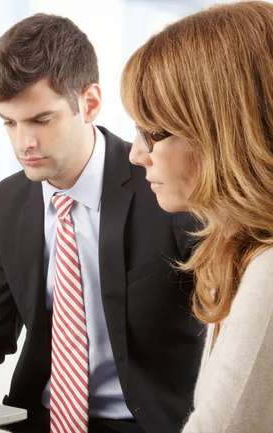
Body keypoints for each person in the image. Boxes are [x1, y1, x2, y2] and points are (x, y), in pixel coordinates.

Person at [0, 13, 203, 433]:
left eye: (41, 120)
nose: (24, 142)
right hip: (37, 420)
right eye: (10, 122)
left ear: (90, 104)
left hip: (146, 424)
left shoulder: (166, 186)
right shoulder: (6, 201)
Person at [119, 1, 273, 431]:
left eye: (153, 132)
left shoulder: (269, 272)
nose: (135, 153)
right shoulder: (238, 250)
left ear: (223, 132)